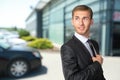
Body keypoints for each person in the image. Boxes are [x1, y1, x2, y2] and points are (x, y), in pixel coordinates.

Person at [60, 5, 106, 80]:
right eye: (77, 18)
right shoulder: (67, 48)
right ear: (72, 21)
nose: (81, 23)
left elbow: (99, 73)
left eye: (85, 18)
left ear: (91, 21)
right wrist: (97, 64)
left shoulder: (94, 44)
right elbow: (71, 78)